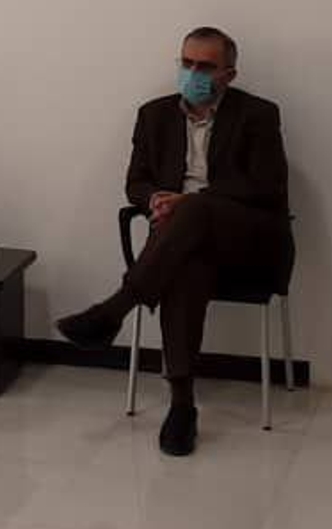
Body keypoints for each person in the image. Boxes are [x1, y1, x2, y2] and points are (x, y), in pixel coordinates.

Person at [55, 26, 293, 456]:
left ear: (229, 74)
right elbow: (136, 182)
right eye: (186, 63)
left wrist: (189, 202)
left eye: (205, 66)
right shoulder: (154, 115)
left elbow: (265, 186)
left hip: (247, 240)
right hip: (180, 246)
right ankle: (182, 406)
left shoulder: (258, 114)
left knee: (195, 209)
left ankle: (114, 309)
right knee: (185, 267)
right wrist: (154, 200)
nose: (193, 73)